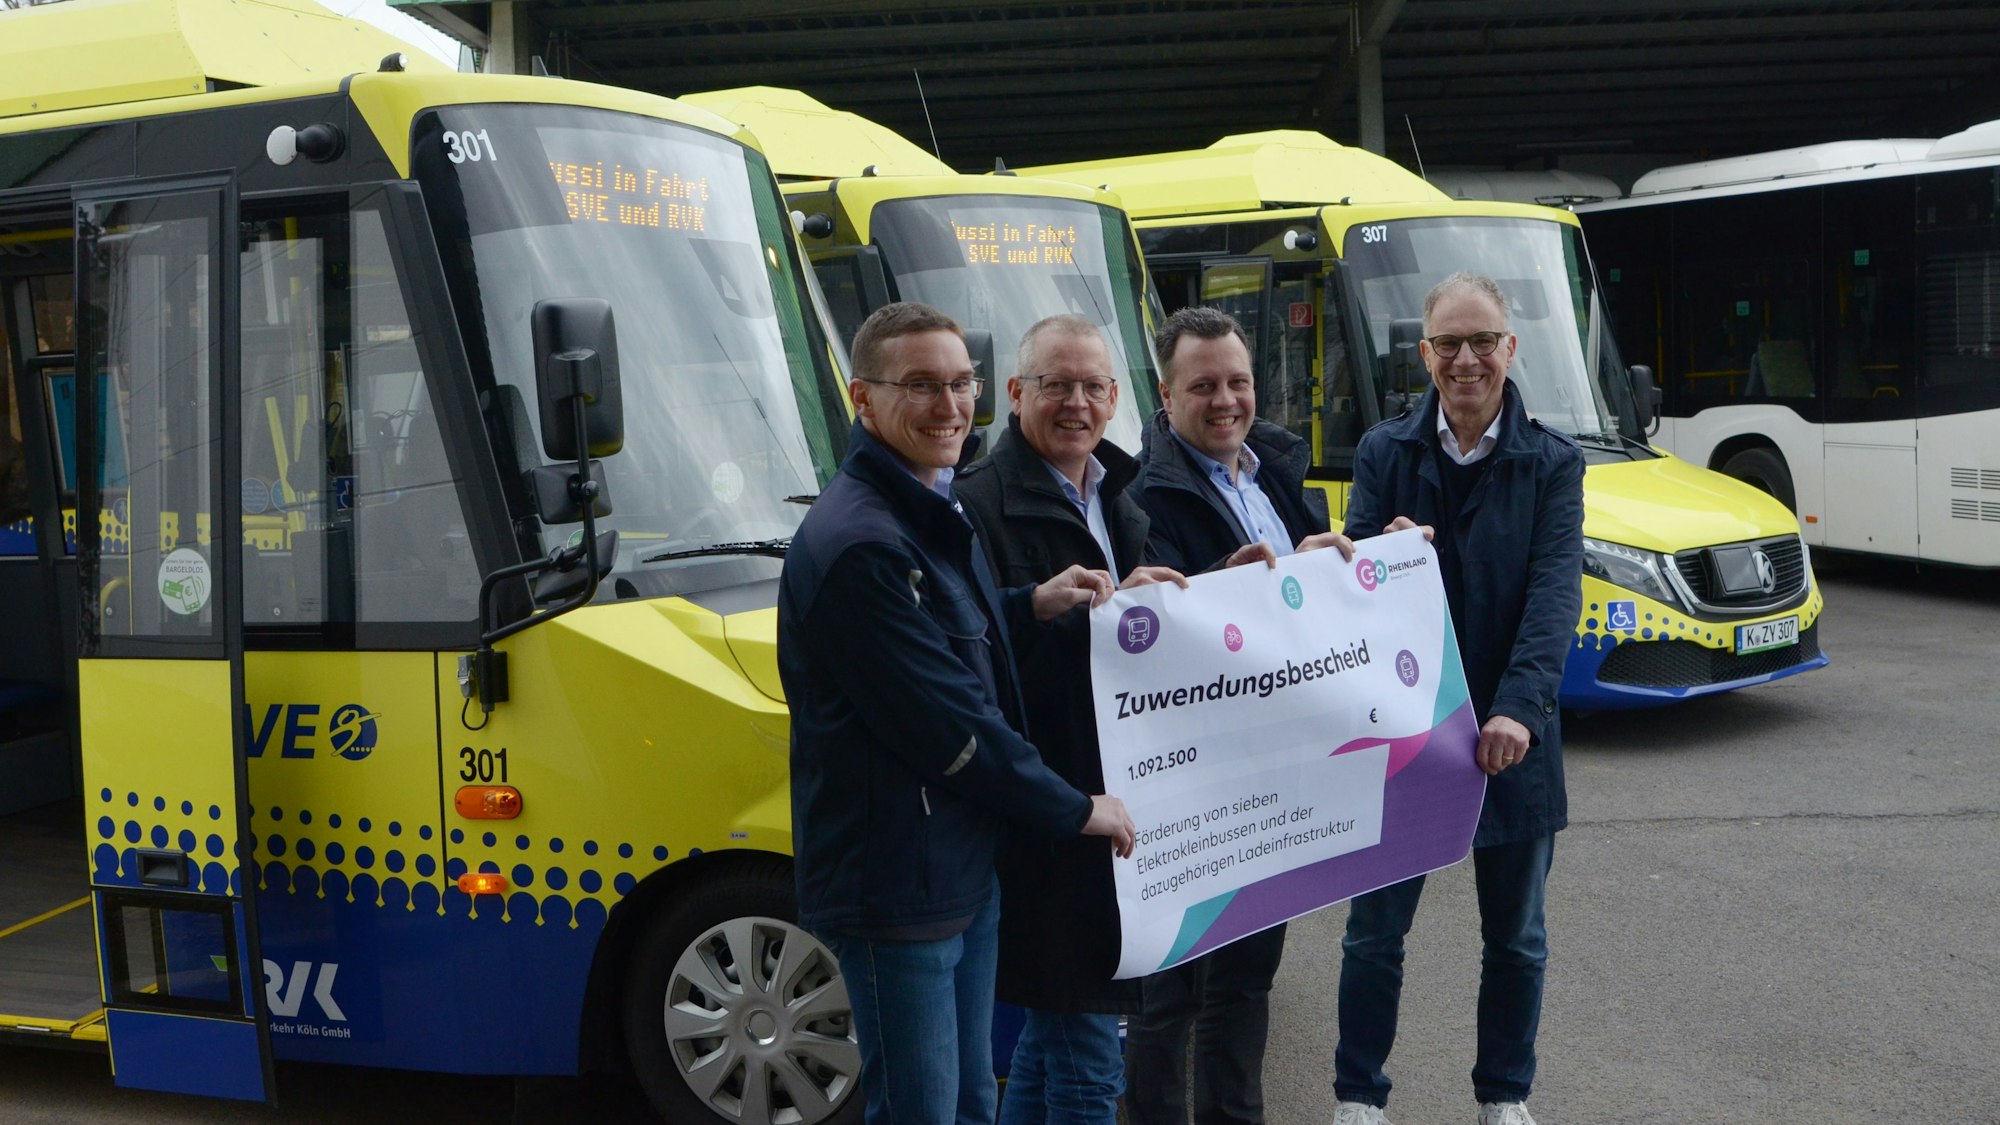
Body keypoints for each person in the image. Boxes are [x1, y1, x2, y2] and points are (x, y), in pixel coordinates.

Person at [779, 301, 1139, 1125]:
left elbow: (949, 640)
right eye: (920, 386)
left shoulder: (924, 502)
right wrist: (1075, 807)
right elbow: (946, 726)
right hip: (897, 885)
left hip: (958, 866)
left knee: (972, 1101)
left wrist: (1028, 605)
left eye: (958, 383)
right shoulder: (864, 543)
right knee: (922, 1111)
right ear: (861, 398)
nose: (949, 407)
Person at [1329, 272, 1584, 1125]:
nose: (1465, 359)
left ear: (1511, 349)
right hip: (1405, 737)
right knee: (1374, 933)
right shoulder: (1383, 452)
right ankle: (1360, 1096)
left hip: (1514, 742)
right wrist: (1381, 556)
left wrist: (1517, 707)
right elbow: (1353, 590)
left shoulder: (1554, 463)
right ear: (1424, 352)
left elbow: (1553, 598)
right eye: (1447, 343)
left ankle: (1503, 1095)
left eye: (1483, 341)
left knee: (1515, 939)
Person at [1124, 305, 1353, 1125]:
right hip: (1190, 788)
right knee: (1169, 996)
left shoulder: (1279, 473)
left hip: (1274, 775)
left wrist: (1361, 563)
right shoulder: (1142, 495)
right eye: (1205, 385)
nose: (1226, 400)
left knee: (1245, 984)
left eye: (1239, 381)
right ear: (1166, 392)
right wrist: (1226, 582)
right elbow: (1149, 635)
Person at [956, 315, 1186, 1124]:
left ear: (1116, 398)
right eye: (1056, 383)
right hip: (1046, 808)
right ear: (1016, 393)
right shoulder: (977, 506)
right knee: (1090, 1061)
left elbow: (1123, 636)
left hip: (1108, 799)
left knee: (1051, 1048)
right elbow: (970, 657)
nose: (1076, 402)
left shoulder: (1115, 491)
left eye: (1093, 386)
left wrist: (1178, 593)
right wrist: (1044, 612)